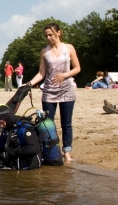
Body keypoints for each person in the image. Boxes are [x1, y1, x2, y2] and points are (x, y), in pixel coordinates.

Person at [24, 23, 80, 163]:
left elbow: (77, 68)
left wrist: (64, 75)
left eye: (51, 34)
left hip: (67, 90)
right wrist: (29, 83)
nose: (48, 37)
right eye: (46, 35)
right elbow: (41, 73)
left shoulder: (69, 48)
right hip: (49, 91)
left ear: (59, 33)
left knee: (66, 123)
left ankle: (67, 153)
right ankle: (49, 152)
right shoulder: (44, 52)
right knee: (47, 123)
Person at [0, 104, 42, 170]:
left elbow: (33, 149)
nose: (1, 126)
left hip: (28, 169)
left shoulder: (25, 128)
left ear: (7, 118)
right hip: (13, 166)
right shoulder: (7, 129)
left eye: (2, 123)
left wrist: (9, 154)